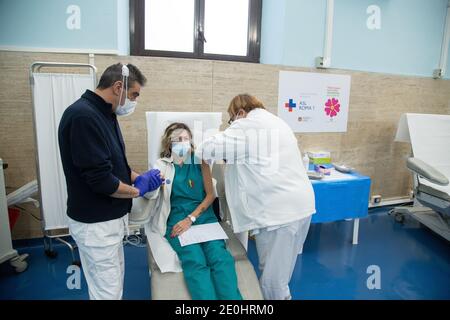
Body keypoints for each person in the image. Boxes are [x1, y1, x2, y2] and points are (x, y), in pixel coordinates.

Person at [58, 63, 163, 300]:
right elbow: (101, 180)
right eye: (134, 94)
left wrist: (141, 177)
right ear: (118, 87)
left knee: (111, 284)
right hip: (96, 225)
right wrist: (138, 190)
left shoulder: (106, 114)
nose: (135, 101)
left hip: (108, 223)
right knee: (107, 292)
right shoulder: (83, 116)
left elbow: (117, 165)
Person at [197, 94, 316, 300]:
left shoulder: (246, 125)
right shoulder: (277, 123)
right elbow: (255, 156)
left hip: (278, 216)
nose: (232, 125)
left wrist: (200, 146)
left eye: (231, 120)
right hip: (302, 208)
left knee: (272, 282)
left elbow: (206, 149)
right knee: (281, 274)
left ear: (240, 112)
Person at [145, 122, 242, 300]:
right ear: (169, 144)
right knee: (195, 261)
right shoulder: (161, 166)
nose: (183, 142)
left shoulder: (200, 161)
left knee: (221, 259)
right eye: (177, 139)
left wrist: (191, 218)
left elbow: (210, 195)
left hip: (203, 217)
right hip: (176, 221)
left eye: (186, 139)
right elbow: (152, 195)